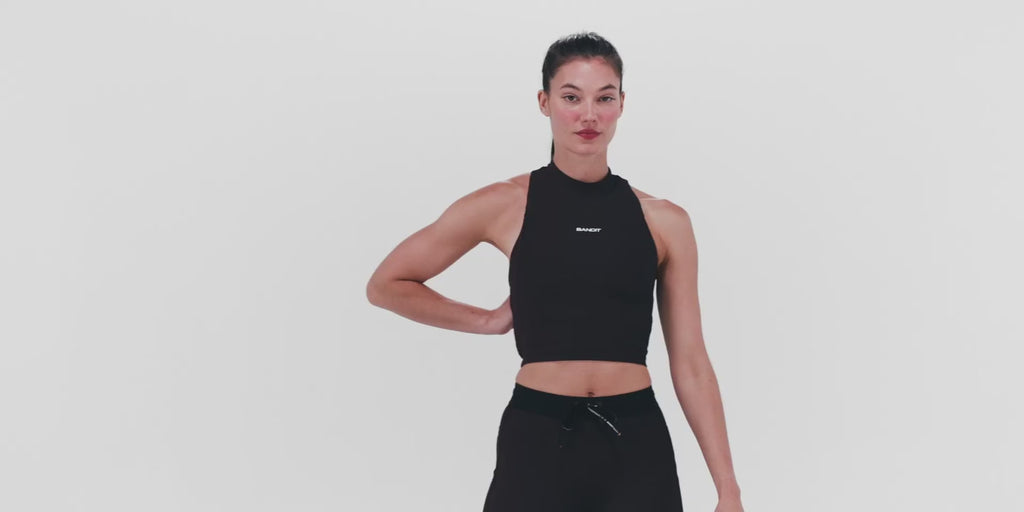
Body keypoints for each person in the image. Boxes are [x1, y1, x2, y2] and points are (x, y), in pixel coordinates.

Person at [366, 31, 744, 512]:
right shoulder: (505, 204)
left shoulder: (665, 220)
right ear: (544, 102)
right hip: (537, 435)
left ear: (622, 104)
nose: (589, 115)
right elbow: (386, 284)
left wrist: (728, 490)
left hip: (636, 442)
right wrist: (486, 320)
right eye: (571, 97)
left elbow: (690, 362)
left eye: (604, 98)